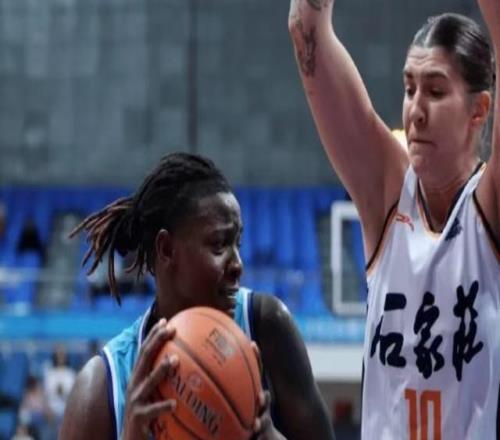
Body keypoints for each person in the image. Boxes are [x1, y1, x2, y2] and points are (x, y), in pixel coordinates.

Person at [289, 0, 500, 438]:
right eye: (409, 89)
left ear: (479, 110)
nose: (416, 110)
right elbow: (306, 27)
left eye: (435, 92)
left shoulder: (491, 204)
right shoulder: (388, 193)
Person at [60, 152, 335, 440]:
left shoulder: (265, 326)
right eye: (219, 245)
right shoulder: (101, 387)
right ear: (166, 249)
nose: (238, 265)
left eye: (238, 243)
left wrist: (268, 436)